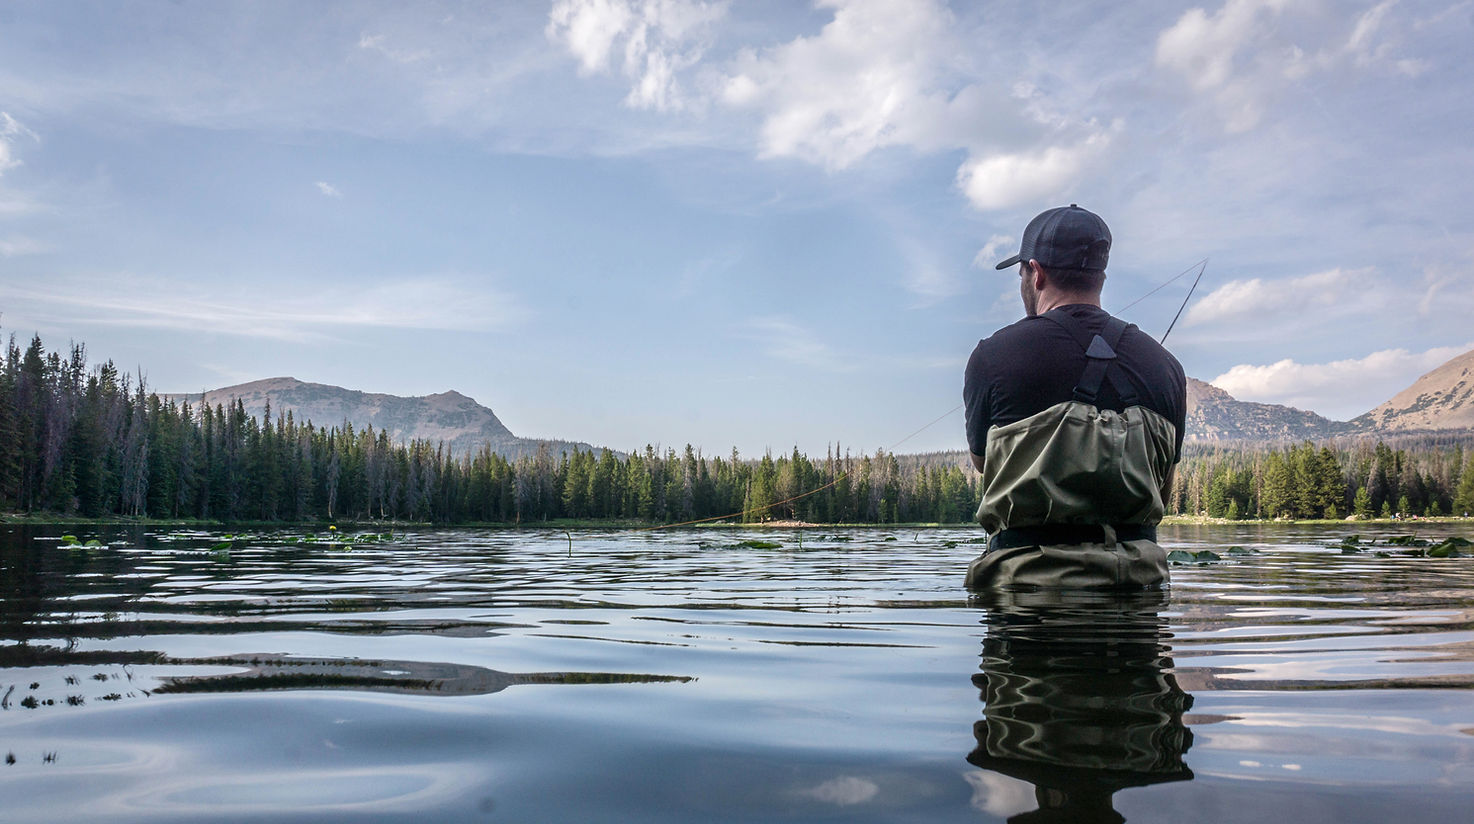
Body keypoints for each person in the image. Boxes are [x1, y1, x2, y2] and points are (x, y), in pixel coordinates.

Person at [963, 205, 1186, 590]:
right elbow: (1162, 488)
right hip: (1137, 595)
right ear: (1100, 276)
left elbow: (984, 465)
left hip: (1026, 597)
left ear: (1036, 273)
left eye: (1021, 273)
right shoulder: (1166, 366)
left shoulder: (993, 355)